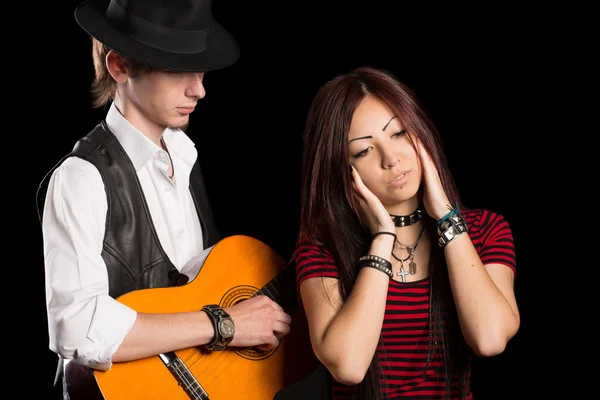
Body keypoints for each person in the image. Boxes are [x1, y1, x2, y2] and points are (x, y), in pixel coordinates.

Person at [36, 0, 292, 398]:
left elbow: (192, 290)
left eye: (200, 68)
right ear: (119, 66)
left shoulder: (185, 155)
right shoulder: (81, 178)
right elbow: (75, 325)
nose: (199, 89)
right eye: (176, 71)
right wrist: (224, 325)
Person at [293, 66, 520, 399]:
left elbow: (489, 338)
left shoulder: (486, 230)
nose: (391, 159)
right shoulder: (321, 248)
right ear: (342, 169)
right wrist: (383, 237)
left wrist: (445, 216)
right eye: (363, 150)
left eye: (398, 133)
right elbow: (349, 366)